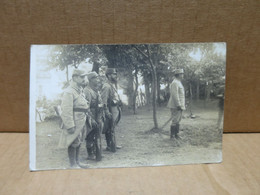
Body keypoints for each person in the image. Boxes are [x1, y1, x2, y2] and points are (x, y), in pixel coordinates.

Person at [58, 69, 89, 168]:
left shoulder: (79, 90)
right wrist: (70, 125)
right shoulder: (69, 92)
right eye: (82, 77)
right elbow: (66, 110)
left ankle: (77, 162)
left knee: (79, 141)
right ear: (75, 78)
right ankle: (73, 164)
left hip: (81, 120)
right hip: (74, 121)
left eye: (84, 77)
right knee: (73, 141)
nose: (84, 79)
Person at [84, 71, 104, 161]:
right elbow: (86, 107)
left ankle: (97, 151)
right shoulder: (87, 91)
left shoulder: (96, 90)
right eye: (95, 78)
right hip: (91, 115)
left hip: (98, 115)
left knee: (98, 134)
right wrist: (91, 119)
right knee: (90, 135)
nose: (98, 79)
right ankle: (90, 154)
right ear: (90, 80)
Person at [101, 68, 122, 152]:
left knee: (112, 127)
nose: (115, 76)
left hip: (115, 108)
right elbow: (104, 100)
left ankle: (112, 144)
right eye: (113, 74)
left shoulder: (111, 84)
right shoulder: (106, 86)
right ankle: (110, 145)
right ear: (109, 75)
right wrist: (106, 111)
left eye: (115, 74)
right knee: (110, 127)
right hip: (110, 109)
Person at [167, 68, 185, 139]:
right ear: (178, 75)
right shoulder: (175, 83)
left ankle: (176, 134)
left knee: (178, 120)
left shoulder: (178, 82)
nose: (182, 75)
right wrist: (178, 105)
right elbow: (175, 95)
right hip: (175, 105)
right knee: (175, 120)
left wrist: (181, 105)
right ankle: (172, 136)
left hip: (179, 105)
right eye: (181, 74)